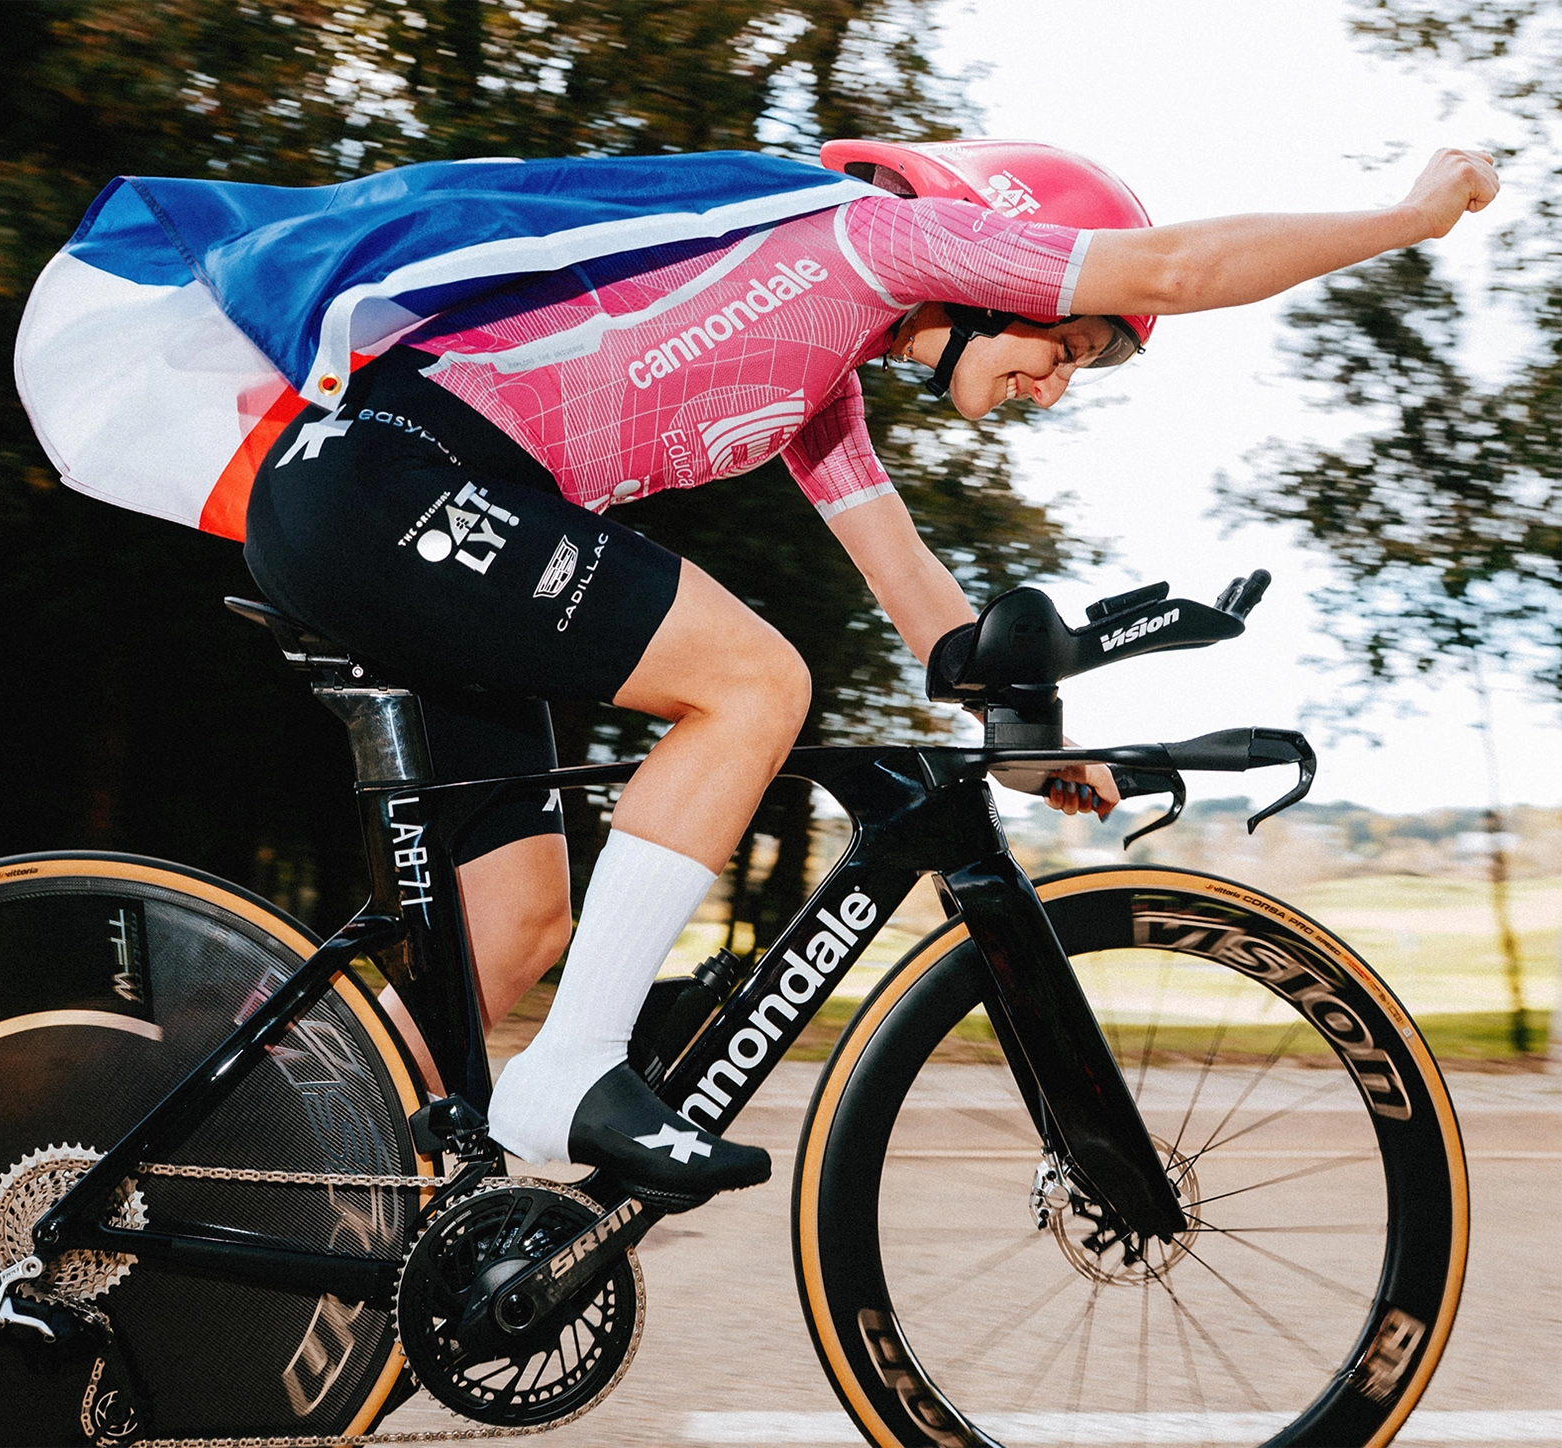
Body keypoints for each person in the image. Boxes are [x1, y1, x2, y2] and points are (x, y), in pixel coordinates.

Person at [237, 139, 1499, 1201]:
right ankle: (572, 1073)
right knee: (754, 682)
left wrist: (1031, 745)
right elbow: (1178, 266)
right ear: (1001, 262)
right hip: (392, 482)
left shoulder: (825, 372)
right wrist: (1408, 216)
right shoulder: (870, 240)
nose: (1059, 387)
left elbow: (923, 607)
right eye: (1076, 342)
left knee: (515, 926)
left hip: (412, 512)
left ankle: (250, 1131)